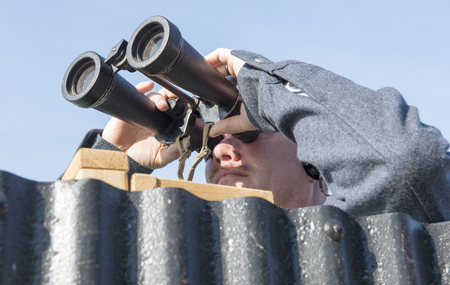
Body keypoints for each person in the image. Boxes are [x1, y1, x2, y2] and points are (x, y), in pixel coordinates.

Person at [81, 48, 450, 223]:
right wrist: (116, 158)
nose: (220, 152)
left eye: (252, 133)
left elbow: (405, 164)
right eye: (208, 145)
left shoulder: (366, 243)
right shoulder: (186, 264)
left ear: (316, 167)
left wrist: (262, 84)